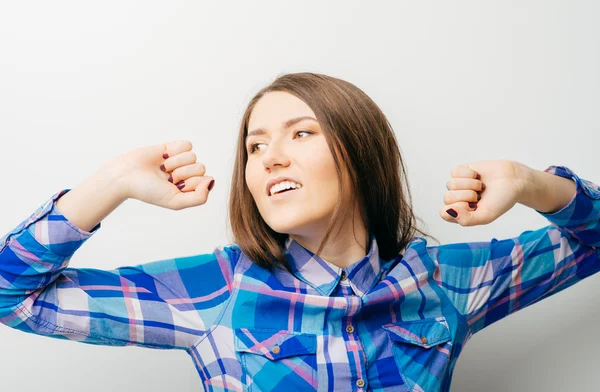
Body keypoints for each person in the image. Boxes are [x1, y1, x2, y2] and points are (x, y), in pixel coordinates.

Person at [0, 73, 598, 392]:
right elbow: (11, 295)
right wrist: (111, 182)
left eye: (301, 134)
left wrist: (530, 183)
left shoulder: (447, 281)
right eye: (254, 146)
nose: (268, 158)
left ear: (361, 153)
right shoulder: (213, 292)